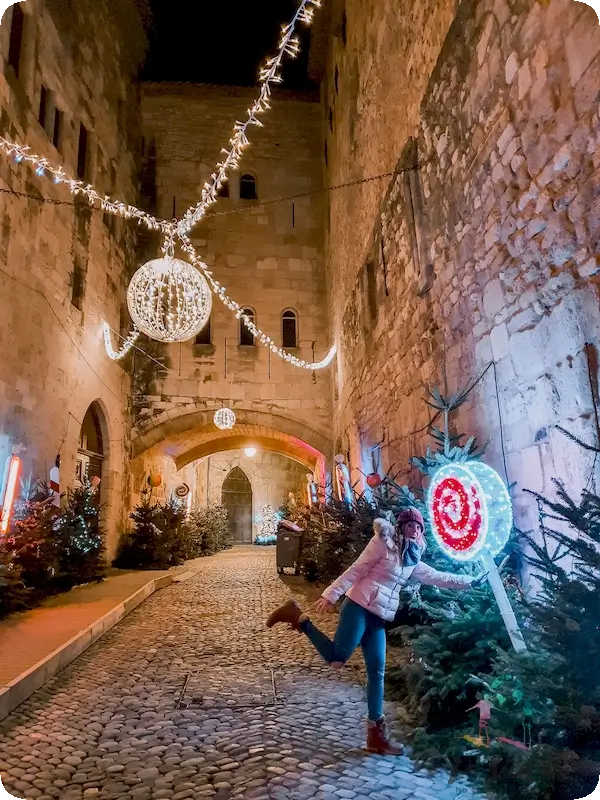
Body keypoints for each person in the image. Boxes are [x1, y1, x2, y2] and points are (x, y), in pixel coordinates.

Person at [266, 507, 487, 755]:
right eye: (410, 525)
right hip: (358, 607)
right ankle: (298, 618)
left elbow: (435, 576)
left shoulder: (412, 556)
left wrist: (470, 582)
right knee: (337, 659)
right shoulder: (383, 543)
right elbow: (357, 569)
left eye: (418, 527)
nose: (414, 530)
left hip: (379, 617)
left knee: (377, 671)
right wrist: (331, 594)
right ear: (401, 526)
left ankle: (376, 736)